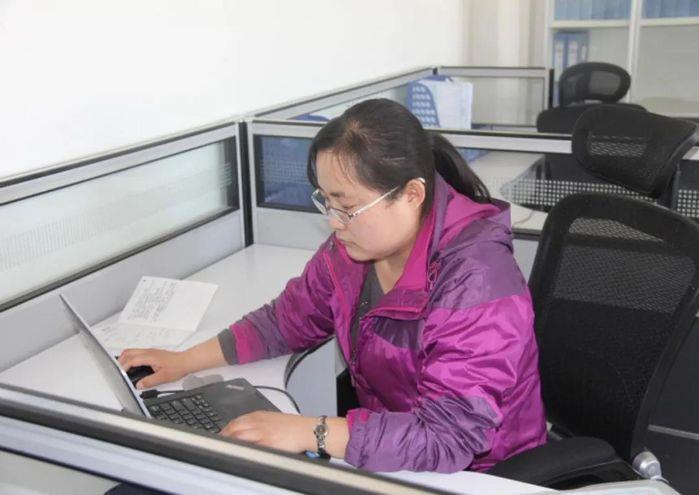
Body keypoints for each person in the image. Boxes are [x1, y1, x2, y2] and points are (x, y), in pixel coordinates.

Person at [118, 98, 546, 473]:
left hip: (478, 475)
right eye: (326, 201)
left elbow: (447, 438)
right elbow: (286, 320)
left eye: (348, 206)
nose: (334, 222)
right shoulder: (353, 247)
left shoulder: (477, 282)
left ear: (412, 195)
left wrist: (311, 432)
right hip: (393, 451)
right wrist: (185, 360)